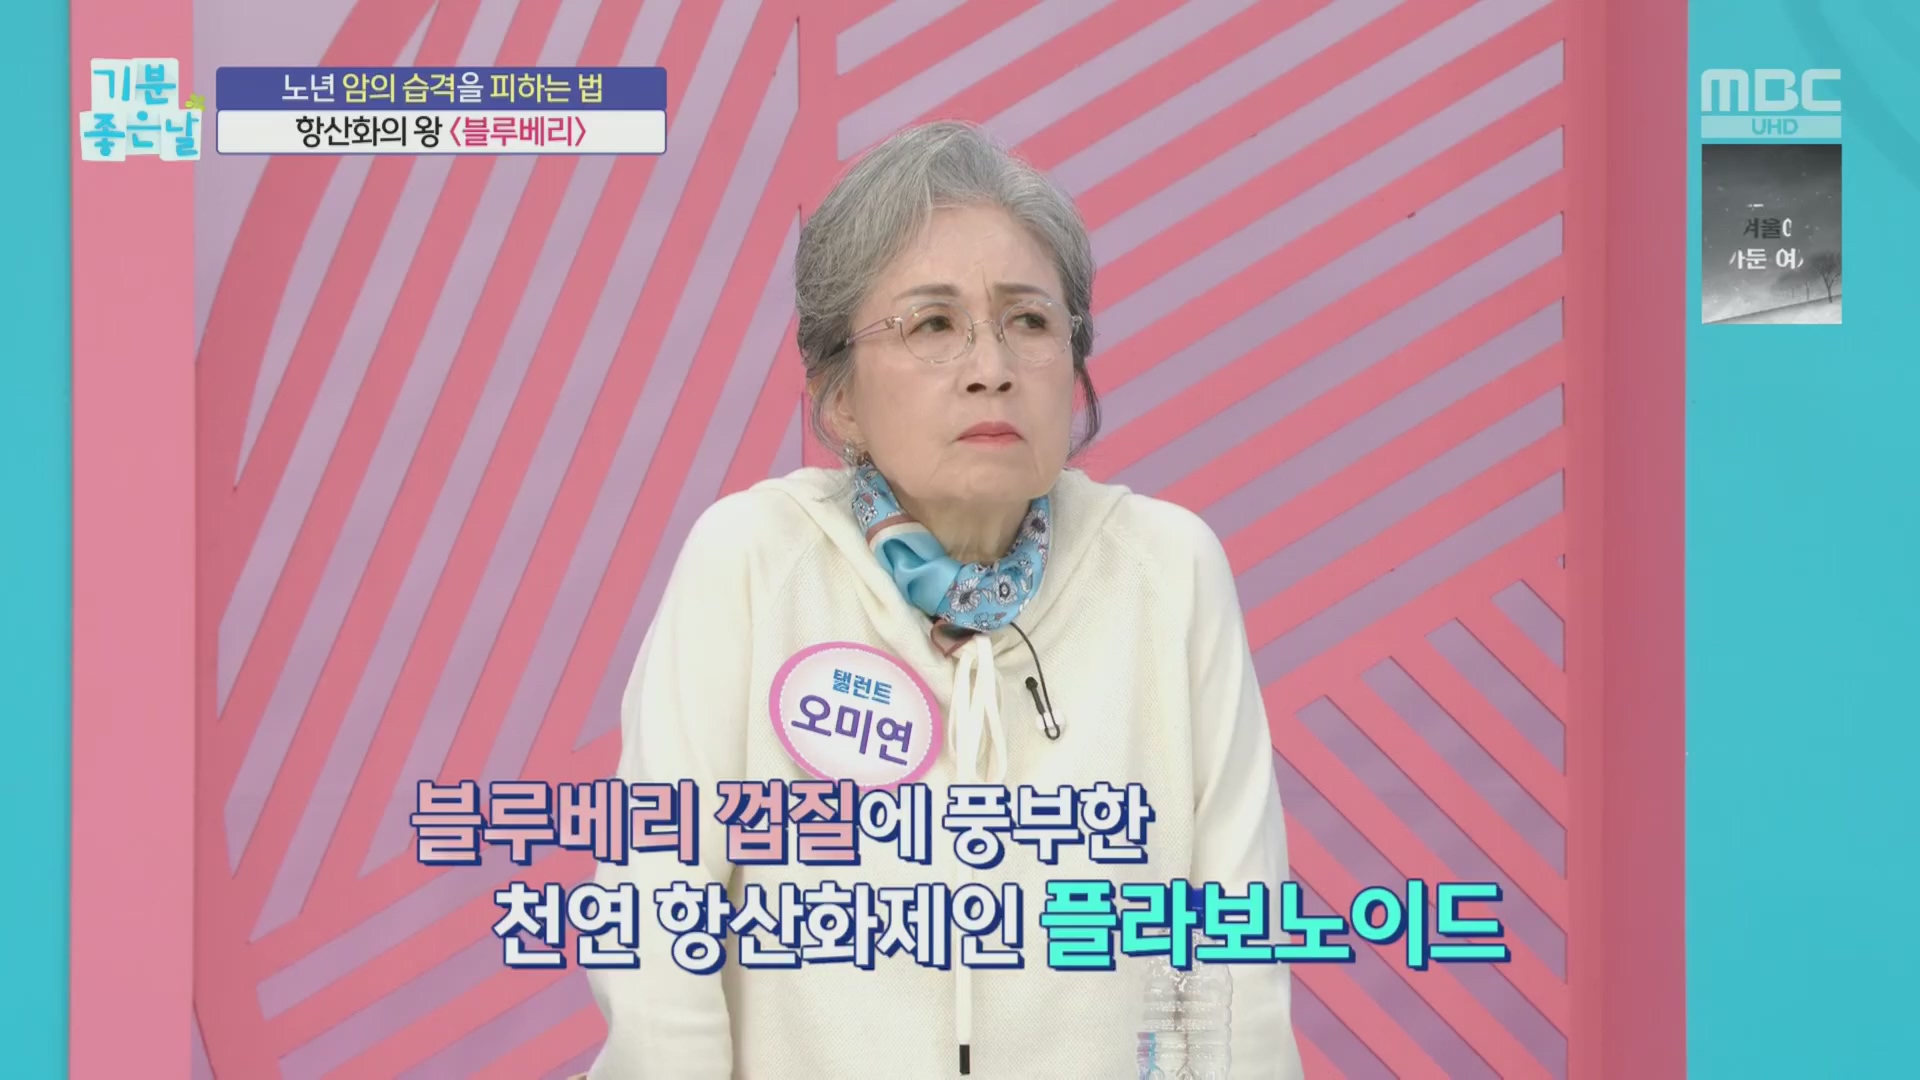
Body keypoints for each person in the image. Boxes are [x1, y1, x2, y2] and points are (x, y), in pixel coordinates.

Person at [587, 120, 1305, 1079]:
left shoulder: (1168, 571)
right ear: (838, 396)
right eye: (932, 325)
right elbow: (655, 937)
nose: (990, 366)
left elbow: (1238, 962)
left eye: (1030, 322)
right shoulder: (752, 563)